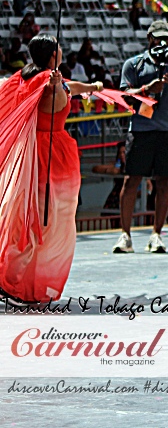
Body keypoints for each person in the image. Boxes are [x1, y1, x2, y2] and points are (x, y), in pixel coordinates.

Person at [0, 34, 104, 303]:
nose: (61, 50)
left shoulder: (23, 78)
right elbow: (59, 100)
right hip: (50, 156)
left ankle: (14, 280)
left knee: (24, 218)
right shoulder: (49, 84)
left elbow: (73, 87)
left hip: (29, 155)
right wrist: (59, 88)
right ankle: (23, 287)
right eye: (58, 47)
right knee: (47, 224)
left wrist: (93, 86)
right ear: (51, 55)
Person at [113, 20, 168, 254]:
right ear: (149, 38)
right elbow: (124, 96)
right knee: (131, 180)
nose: (162, 42)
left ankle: (157, 234)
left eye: (166, 38)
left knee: (164, 181)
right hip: (141, 129)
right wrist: (147, 89)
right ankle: (125, 235)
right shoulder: (134, 64)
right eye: (158, 38)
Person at [92, 142, 126, 215]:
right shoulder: (117, 166)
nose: (122, 155)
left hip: (128, 194)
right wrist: (109, 170)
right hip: (117, 195)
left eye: (124, 152)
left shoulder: (133, 167)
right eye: (120, 153)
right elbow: (95, 169)